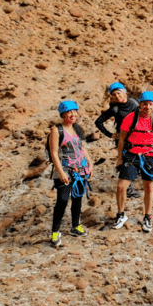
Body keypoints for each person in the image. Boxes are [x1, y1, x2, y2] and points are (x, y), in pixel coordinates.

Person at [114, 91, 153, 233]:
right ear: (140, 104)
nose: (147, 107)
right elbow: (122, 139)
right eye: (144, 104)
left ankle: (147, 217)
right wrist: (119, 158)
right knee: (121, 186)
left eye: (150, 104)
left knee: (148, 187)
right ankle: (121, 214)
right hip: (131, 155)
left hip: (150, 156)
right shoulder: (130, 118)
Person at [48, 100, 93, 247]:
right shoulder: (57, 131)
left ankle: (75, 225)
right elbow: (54, 153)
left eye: (75, 112)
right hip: (66, 169)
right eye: (69, 112)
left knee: (78, 198)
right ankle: (55, 232)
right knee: (62, 200)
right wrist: (61, 172)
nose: (73, 115)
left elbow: (82, 148)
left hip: (80, 170)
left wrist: (90, 163)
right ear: (63, 114)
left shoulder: (77, 129)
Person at [95, 82, 140, 198]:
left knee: (138, 160)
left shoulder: (135, 103)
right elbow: (98, 122)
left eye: (118, 93)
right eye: (114, 95)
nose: (117, 96)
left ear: (124, 92)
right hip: (123, 140)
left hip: (138, 137)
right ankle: (128, 189)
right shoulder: (115, 109)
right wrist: (110, 135)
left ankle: (136, 181)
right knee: (126, 162)